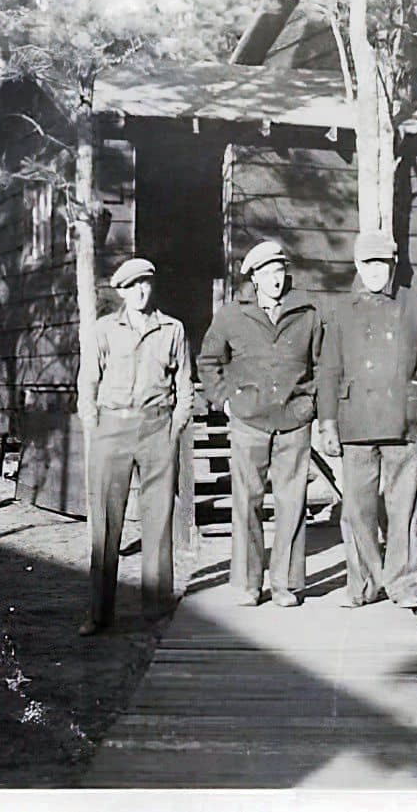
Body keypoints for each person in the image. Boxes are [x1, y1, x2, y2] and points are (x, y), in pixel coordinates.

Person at [318, 231, 417, 609]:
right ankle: (363, 585)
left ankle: (405, 587)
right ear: (357, 265)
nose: (374, 271)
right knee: (357, 511)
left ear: (392, 265)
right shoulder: (340, 312)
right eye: (367, 263)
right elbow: (328, 371)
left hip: (404, 425)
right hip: (355, 424)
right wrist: (327, 424)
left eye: (381, 263)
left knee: (403, 509)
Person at [198, 240, 324, 607]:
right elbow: (209, 361)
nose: (275, 279)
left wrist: (310, 402)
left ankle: (287, 585)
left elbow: (322, 363)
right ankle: (249, 584)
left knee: (292, 503)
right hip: (249, 420)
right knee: (246, 501)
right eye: (267, 273)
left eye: (280, 271)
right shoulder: (230, 316)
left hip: (293, 421)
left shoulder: (307, 313)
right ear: (253, 277)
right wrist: (223, 398)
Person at [76, 257, 193, 636]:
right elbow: (88, 383)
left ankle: (156, 611)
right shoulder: (104, 330)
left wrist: (173, 429)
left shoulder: (172, 330)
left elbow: (185, 387)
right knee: (106, 525)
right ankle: (99, 613)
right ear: (121, 292)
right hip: (113, 428)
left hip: (157, 428)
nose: (140, 291)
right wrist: (95, 425)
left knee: (158, 521)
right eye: (132, 286)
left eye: (145, 283)